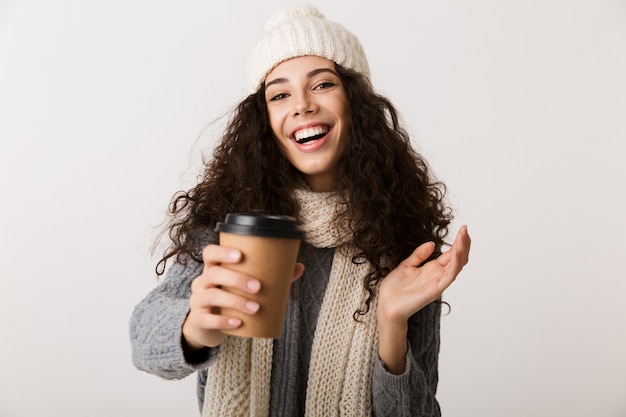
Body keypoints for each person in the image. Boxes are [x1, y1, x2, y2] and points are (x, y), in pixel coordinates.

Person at [129, 4, 471, 417]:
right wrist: (195, 325)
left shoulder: (404, 241)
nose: (302, 105)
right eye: (279, 94)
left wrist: (391, 322)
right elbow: (143, 339)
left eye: (322, 85)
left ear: (355, 103)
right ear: (264, 121)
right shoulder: (230, 225)